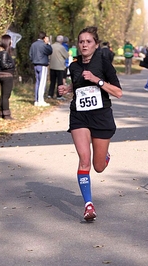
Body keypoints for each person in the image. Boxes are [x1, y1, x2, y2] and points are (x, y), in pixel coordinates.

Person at [57, 26, 123, 222]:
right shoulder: (74, 66)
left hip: (101, 116)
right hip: (79, 116)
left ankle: (105, 157)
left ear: (95, 44)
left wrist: (98, 81)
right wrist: (66, 89)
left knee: (98, 166)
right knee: (84, 160)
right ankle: (88, 205)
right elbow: (78, 86)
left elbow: (118, 92)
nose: (84, 44)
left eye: (88, 41)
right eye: (81, 41)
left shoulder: (104, 64)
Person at [29, 31, 52, 107]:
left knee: (37, 82)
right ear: (44, 37)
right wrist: (48, 43)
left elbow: (30, 55)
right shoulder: (44, 45)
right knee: (42, 83)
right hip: (42, 65)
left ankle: (36, 100)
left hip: (35, 64)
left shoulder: (33, 44)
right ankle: (40, 100)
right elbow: (50, 51)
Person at [0, 34, 15, 119]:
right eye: (11, 41)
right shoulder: (4, 53)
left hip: (2, 75)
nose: (12, 42)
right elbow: (4, 64)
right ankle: (6, 114)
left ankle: (2, 113)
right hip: (6, 76)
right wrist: (12, 64)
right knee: (6, 96)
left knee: (3, 95)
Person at [48, 35, 69, 100]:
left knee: (52, 82)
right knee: (60, 82)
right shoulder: (61, 47)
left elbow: (48, 56)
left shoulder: (51, 46)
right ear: (61, 41)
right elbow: (66, 56)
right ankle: (59, 95)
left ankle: (50, 94)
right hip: (60, 67)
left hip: (52, 66)